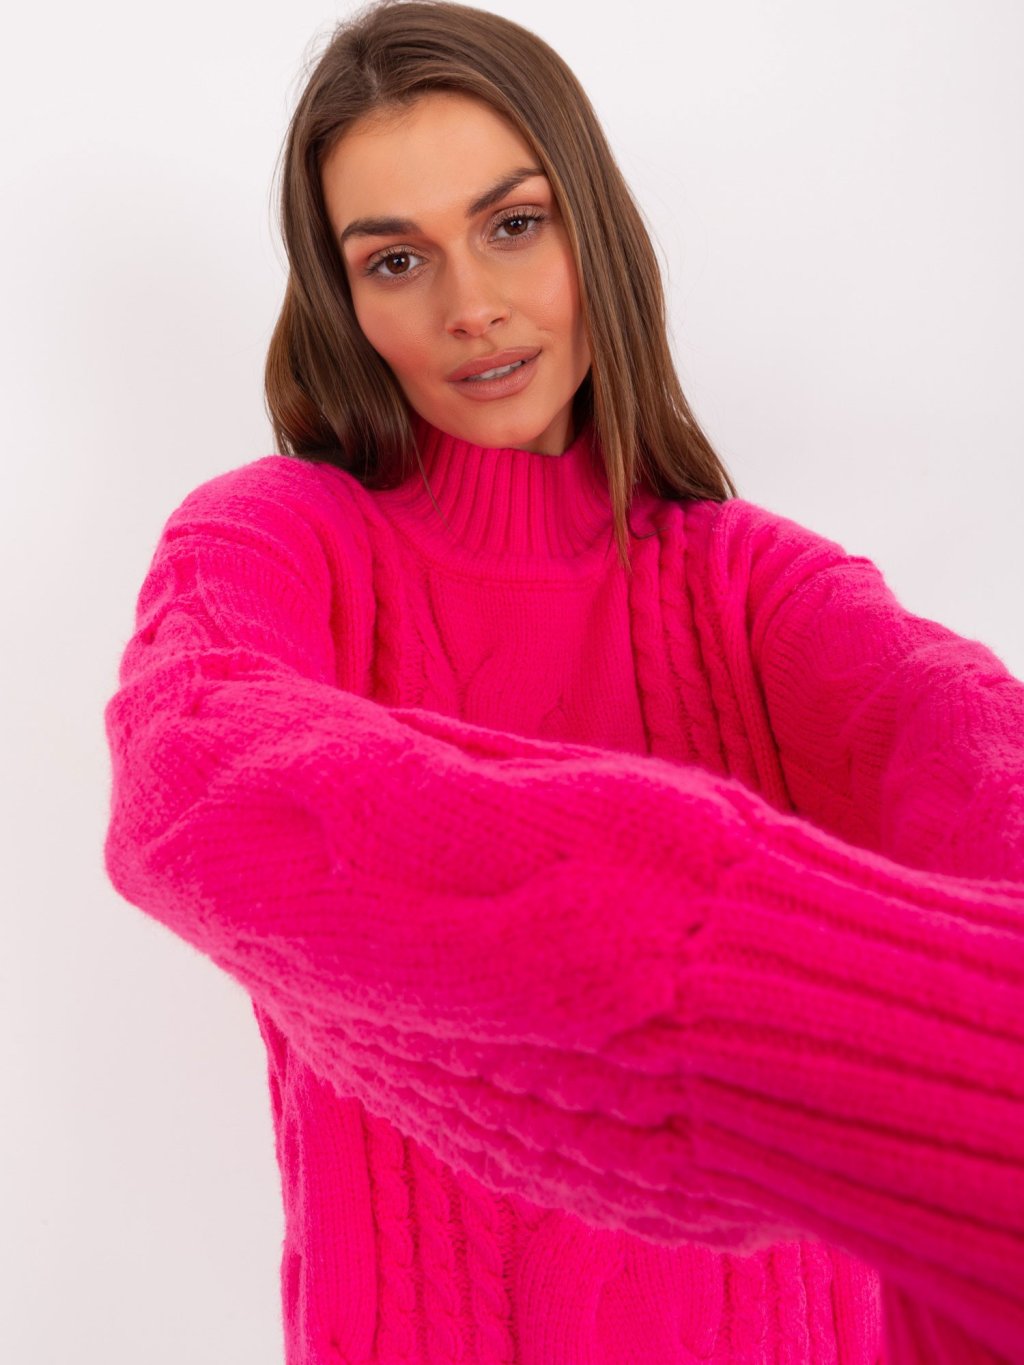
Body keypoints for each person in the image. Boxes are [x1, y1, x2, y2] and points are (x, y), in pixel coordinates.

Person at [101, 1, 1024, 1361]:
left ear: (594, 226)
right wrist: (717, 934)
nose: (470, 305)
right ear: (344, 304)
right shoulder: (274, 541)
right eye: (397, 259)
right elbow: (189, 785)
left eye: (514, 224)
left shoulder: (761, 584)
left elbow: (976, 772)